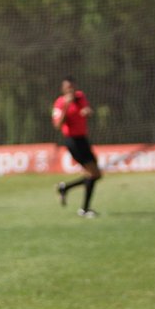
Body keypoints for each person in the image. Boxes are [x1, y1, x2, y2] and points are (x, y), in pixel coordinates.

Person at [52, 76, 103, 218]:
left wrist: (87, 112)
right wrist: (66, 106)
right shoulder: (59, 103)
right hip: (73, 141)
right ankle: (84, 209)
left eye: (73, 87)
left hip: (83, 139)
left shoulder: (80, 97)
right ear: (63, 90)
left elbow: (87, 110)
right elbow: (57, 125)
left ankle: (65, 188)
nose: (71, 90)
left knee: (95, 174)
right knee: (94, 174)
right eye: (68, 88)